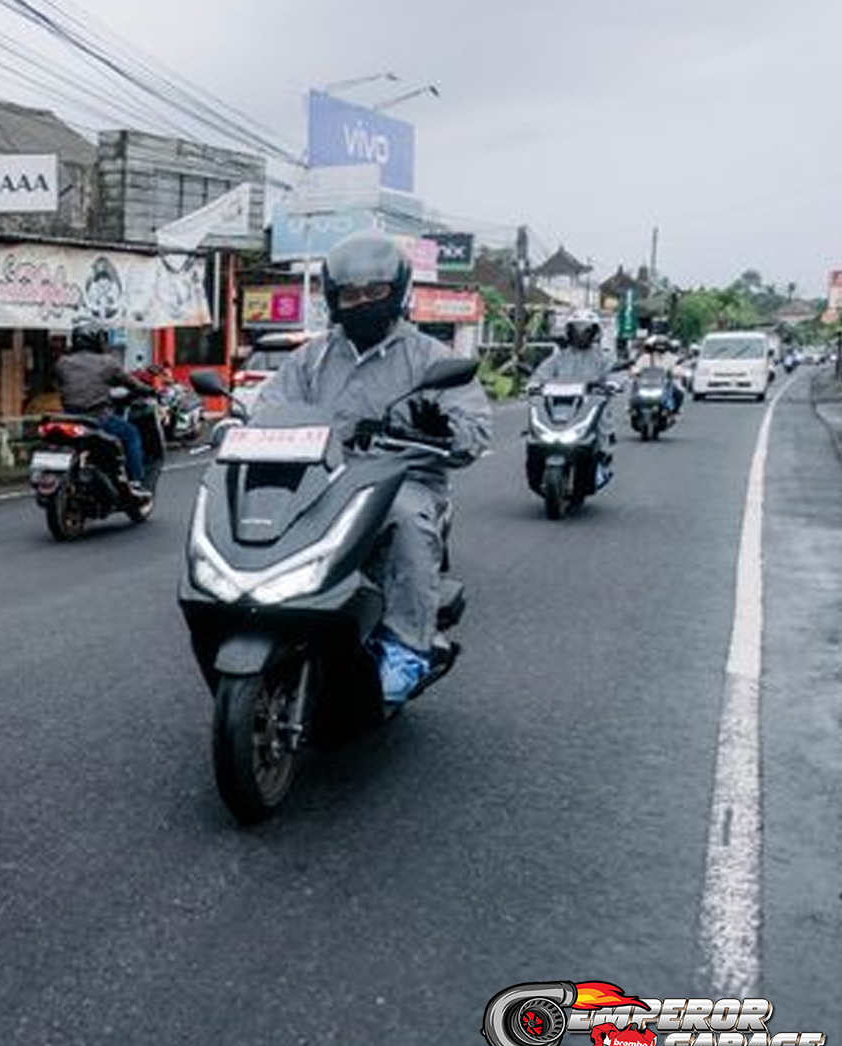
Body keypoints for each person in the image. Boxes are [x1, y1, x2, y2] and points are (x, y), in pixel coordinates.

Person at [252, 232, 492, 706]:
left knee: (406, 519)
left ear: (396, 292)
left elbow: (475, 429)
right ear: (335, 300)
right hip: (322, 476)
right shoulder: (311, 357)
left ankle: (406, 646)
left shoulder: (430, 356)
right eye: (350, 295)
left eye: (373, 293)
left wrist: (444, 431)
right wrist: (245, 428)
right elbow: (269, 406)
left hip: (401, 479)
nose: (361, 303)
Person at [54, 317, 156, 498]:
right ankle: (136, 481)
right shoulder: (107, 363)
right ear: (96, 340)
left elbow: (63, 385)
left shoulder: (62, 363)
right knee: (131, 434)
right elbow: (133, 384)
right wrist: (151, 390)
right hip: (97, 418)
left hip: (69, 419)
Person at [530, 308, 618, 480]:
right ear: (569, 331)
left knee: (603, 421)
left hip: (591, 403)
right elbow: (541, 374)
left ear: (595, 333)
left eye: (586, 330)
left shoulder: (603, 357)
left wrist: (612, 384)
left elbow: (615, 373)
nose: (581, 335)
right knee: (537, 425)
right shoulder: (559, 357)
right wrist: (533, 384)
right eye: (577, 330)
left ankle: (601, 458)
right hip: (560, 403)